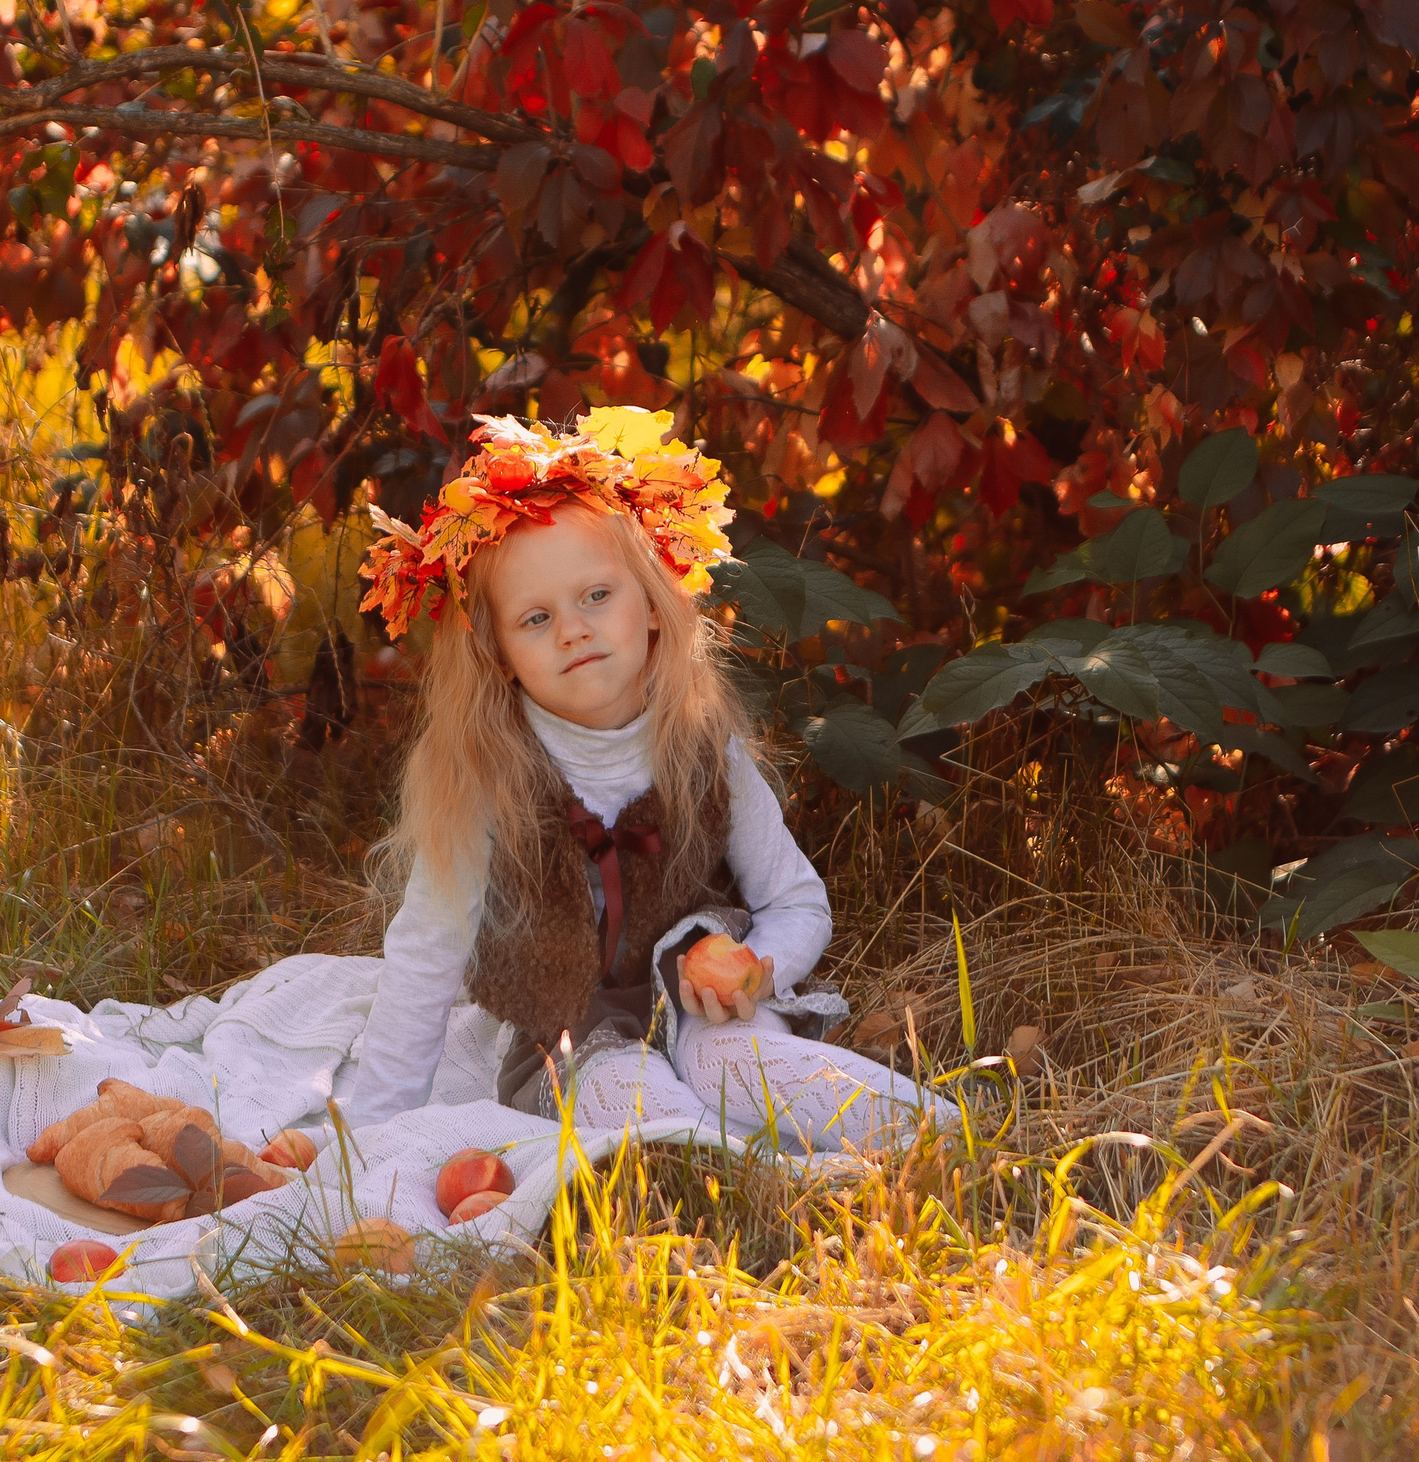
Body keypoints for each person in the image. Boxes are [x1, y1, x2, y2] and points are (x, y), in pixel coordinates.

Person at [260, 407, 954, 1164]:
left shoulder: (701, 749)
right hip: (570, 1030)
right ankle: (757, 1184)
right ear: (499, 656)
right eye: (535, 617)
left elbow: (795, 900)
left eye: (597, 596)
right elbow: (427, 953)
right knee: (637, 1108)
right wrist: (371, 1140)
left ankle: (949, 1137)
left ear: (654, 606)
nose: (572, 630)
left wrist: (757, 970)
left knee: (740, 1066)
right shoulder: (491, 782)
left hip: (702, 1004)